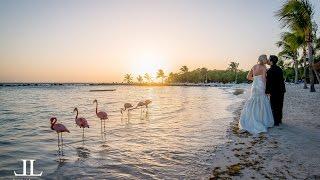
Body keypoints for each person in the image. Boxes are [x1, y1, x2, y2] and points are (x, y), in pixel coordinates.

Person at [239, 55, 274, 134]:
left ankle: (250, 119)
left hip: (254, 85)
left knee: (253, 100)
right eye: (266, 59)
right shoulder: (264, 67)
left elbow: (248, 77)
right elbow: (264, 79)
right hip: (261, 85)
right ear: (264, 60)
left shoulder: (254, 66)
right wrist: (266, 88)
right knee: (261, 101)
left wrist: (255, 78)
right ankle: (260, 120)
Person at [266, 55, 286, 126]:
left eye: (269, 59)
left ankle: (276, 121)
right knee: (280, 105)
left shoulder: (270, 70)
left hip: (274, 91)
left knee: (274, 106)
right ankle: (279, 120)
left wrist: (267, 91)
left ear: (271, 61)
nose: (267, 60)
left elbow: (268, 82)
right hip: (281, 90)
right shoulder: (279, 69)